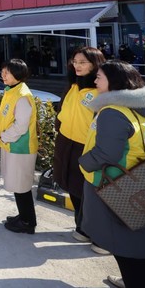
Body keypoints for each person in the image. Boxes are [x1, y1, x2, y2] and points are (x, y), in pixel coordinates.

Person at [79, 60, 145, 288]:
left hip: (114, 186)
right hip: (138, 180)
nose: (95, 80)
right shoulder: (138, 109)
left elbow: (106, 153)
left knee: (125, 249)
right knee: (138, 249)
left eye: (99, 77)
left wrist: (83, 162)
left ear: (114, 81)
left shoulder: (112, 112)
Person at [53, 47, 105, 242]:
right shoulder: (72, 86)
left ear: (95, 64)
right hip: (66, 141)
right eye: (75, 62)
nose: (77, 66)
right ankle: (81, 225)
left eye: (83, 62)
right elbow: (62, 112)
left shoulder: (101, 92)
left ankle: (90, 229)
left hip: (87, 146)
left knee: (88, 190)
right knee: (72, 186)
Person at [0, 58, 38, 234]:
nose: (3, 75)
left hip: (20, 148)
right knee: (17, 184)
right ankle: (23, 216)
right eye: (3, 71)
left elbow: (21, 126)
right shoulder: (12, 91)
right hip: (11, 145)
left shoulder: (22, 96)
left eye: (7, 73)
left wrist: (4, 136)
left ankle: (28, 222)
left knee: (22, 186)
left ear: (18, 74)